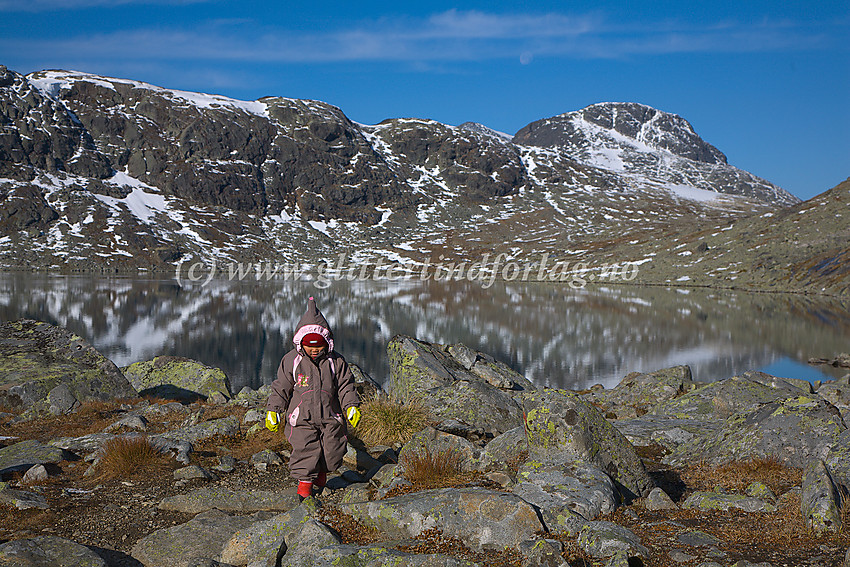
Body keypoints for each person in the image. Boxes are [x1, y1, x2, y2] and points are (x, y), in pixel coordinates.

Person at [265, 296, 361, 501]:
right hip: (301, 417)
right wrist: (273, 409)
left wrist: (351, 406)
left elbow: (345, 385)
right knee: (306, 449)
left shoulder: (336, 362)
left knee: (333, 450)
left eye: (319, 346)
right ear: (302, 344)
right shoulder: (292, 361)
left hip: (330, 415)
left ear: (327, 343)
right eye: (310, 346)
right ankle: (304, 488)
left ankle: (322, 475)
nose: (315, 350)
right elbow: (281, 386)